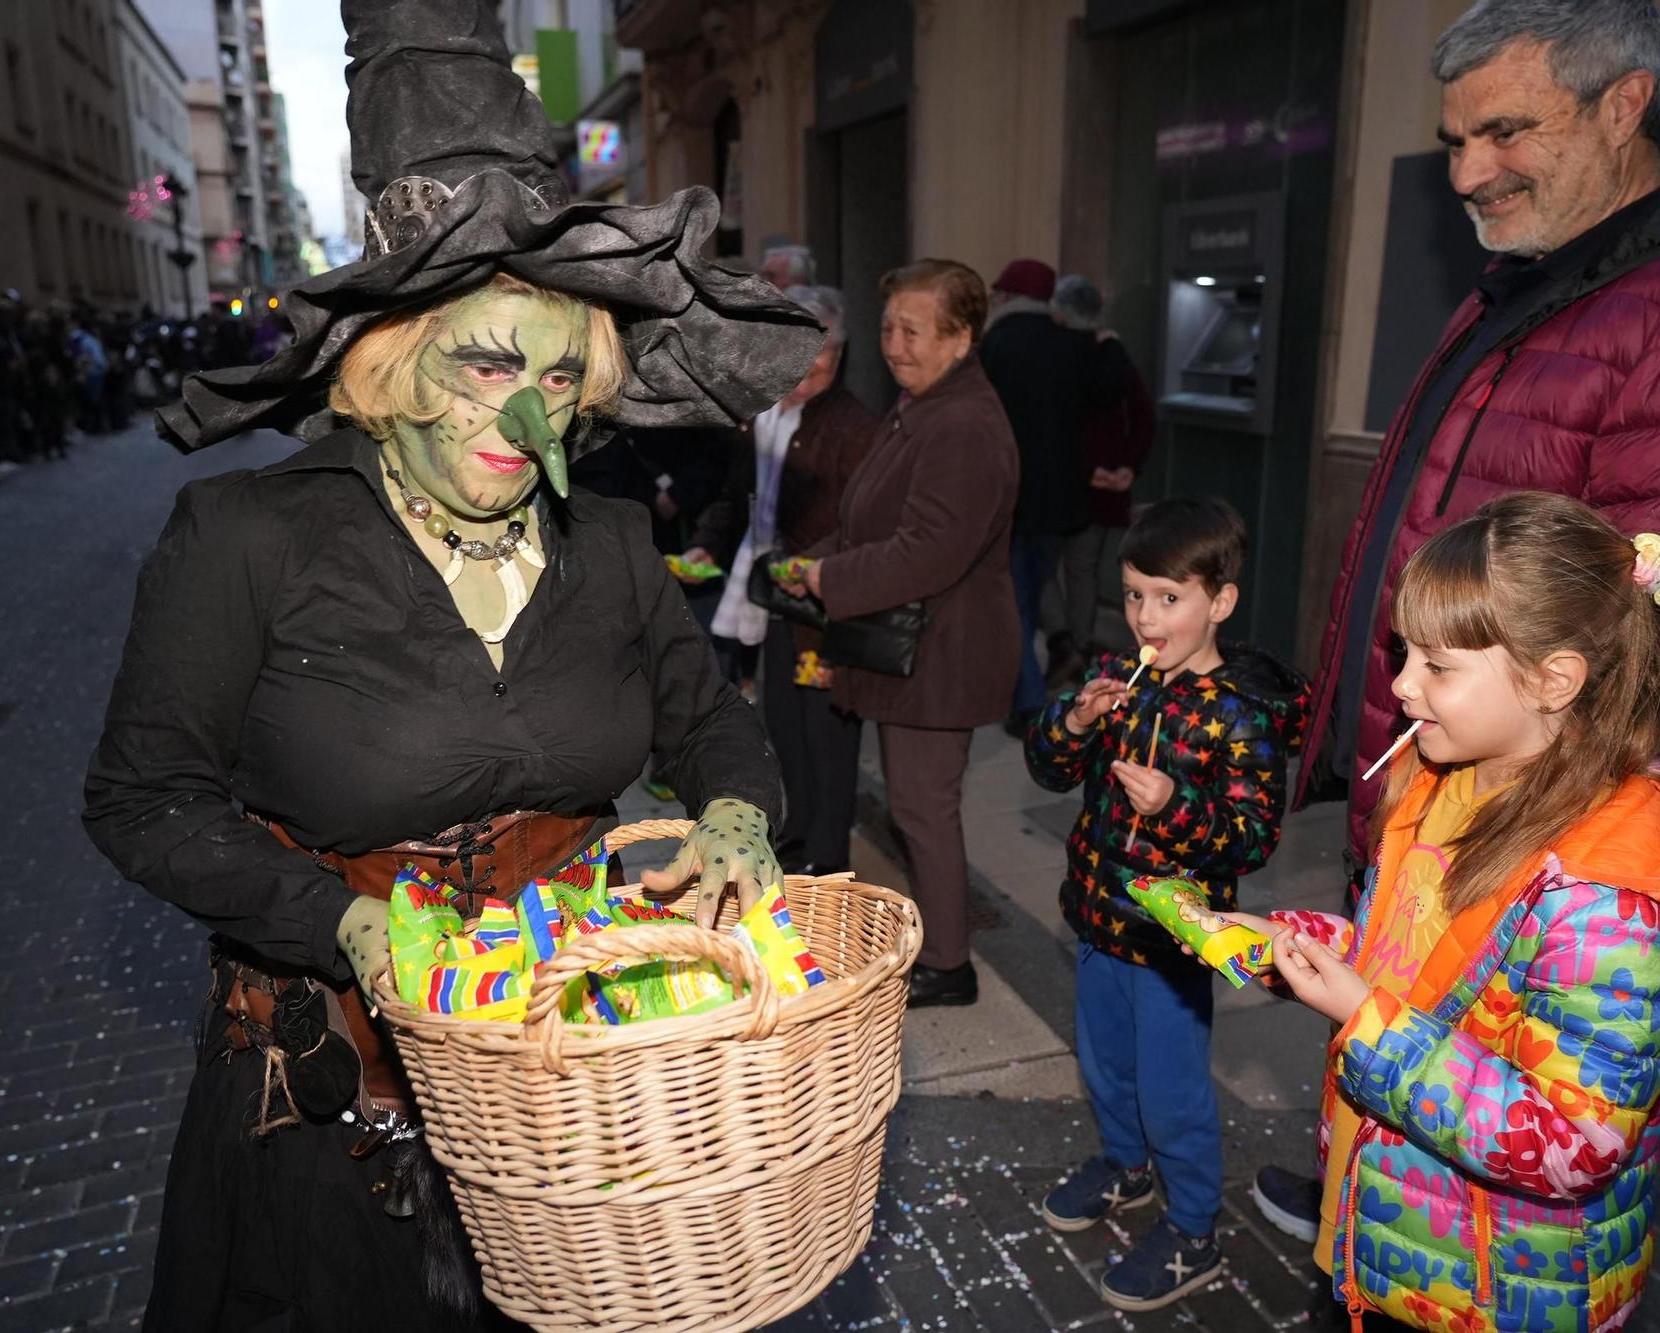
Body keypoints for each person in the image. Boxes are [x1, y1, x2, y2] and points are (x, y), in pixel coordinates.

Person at [82, 4, 824, 1328]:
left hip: (570, 1099)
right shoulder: (249, 537)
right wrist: (346, 924)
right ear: (391, 365)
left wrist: (731, 811)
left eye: (557, 373)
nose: (525, 414)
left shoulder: (603, 539)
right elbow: (142, 801)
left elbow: (713, 725)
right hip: (334, 1106)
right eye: (486, 365)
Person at [1262, 0, 1660, 1244]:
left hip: (1526, 853)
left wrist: (1524, 849)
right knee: (1398, 1112)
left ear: (1623, 104)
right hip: (1448, 801)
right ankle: (1367, 1227)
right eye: (1453, 140)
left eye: (1502, 131)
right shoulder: (1530, 282)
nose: (1466, 173)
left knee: (1485, 1168)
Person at [1222, 491, 1660, 1332]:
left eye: (1438, 665)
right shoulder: (1443, 783)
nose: (1400, 685)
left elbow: (1573, 1141)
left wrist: (1366, 1022)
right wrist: (1300, 943)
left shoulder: (1611, 894)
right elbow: (1419, 964)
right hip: (1395, 1239)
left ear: (1553, 681)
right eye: (1405, 654)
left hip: (1498, 1290)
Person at [1022, 497, 1309, 1312]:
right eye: (1135, 595)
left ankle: (1192, 1226)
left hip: (1174, 941)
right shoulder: (1123, 678)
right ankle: (1125, 1164)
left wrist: (1173, 804)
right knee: (1105, 1063)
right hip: (1097, 918)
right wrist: (1074, 720)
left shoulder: (1239, 712)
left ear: (1219, 601)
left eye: (1169, 598)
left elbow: (1252, 838)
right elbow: (1048, 767)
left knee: (1171, 1088)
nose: (1148, 617)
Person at [788, 259, 1019, 1007]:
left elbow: (930, 551)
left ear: (961, 337)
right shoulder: (923, 404)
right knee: (917, 807)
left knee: (923, 809)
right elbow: (874, 520)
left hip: (941, 655)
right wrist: (816, 561)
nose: (894, 344)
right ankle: (943, 952)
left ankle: (949, 965)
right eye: (887, 327)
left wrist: (832, 579)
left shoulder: (964, 424)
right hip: (913, 645)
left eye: (913, 330)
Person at [684, 285, 879, 875]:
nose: (803, 368)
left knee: (828, 739)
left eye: (816, 353)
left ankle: (829, 855)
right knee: (784, 727)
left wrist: (808, 567)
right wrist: (706, 542)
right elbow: (737, 498)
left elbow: (859, 525)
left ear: (838, 354)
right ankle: (798, 838)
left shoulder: (854, 426)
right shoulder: (764, 413)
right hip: (770, 595)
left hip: (822, 608)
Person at [976, 258, 1128, 734]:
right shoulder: (1073, 345)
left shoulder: (994, 344)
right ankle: (1052, 662)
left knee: (1019, 601)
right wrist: (1110, 345)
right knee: (1036, 589)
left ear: (1010, 297)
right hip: (1060, 505)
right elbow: (1109, 395)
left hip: (1008, 499)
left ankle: (1026, 701)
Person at [1042, 275, 1155, 685]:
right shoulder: (1116, 356)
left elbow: (1055, 426)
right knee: (1083, 571)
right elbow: (1143, 416)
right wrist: (1126, 467)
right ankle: (1082, 646)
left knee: (1040, 570)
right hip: (1107, 487)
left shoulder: (1056, 358)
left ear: (1059, 312)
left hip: (1064, 484)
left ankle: (1064, 645)